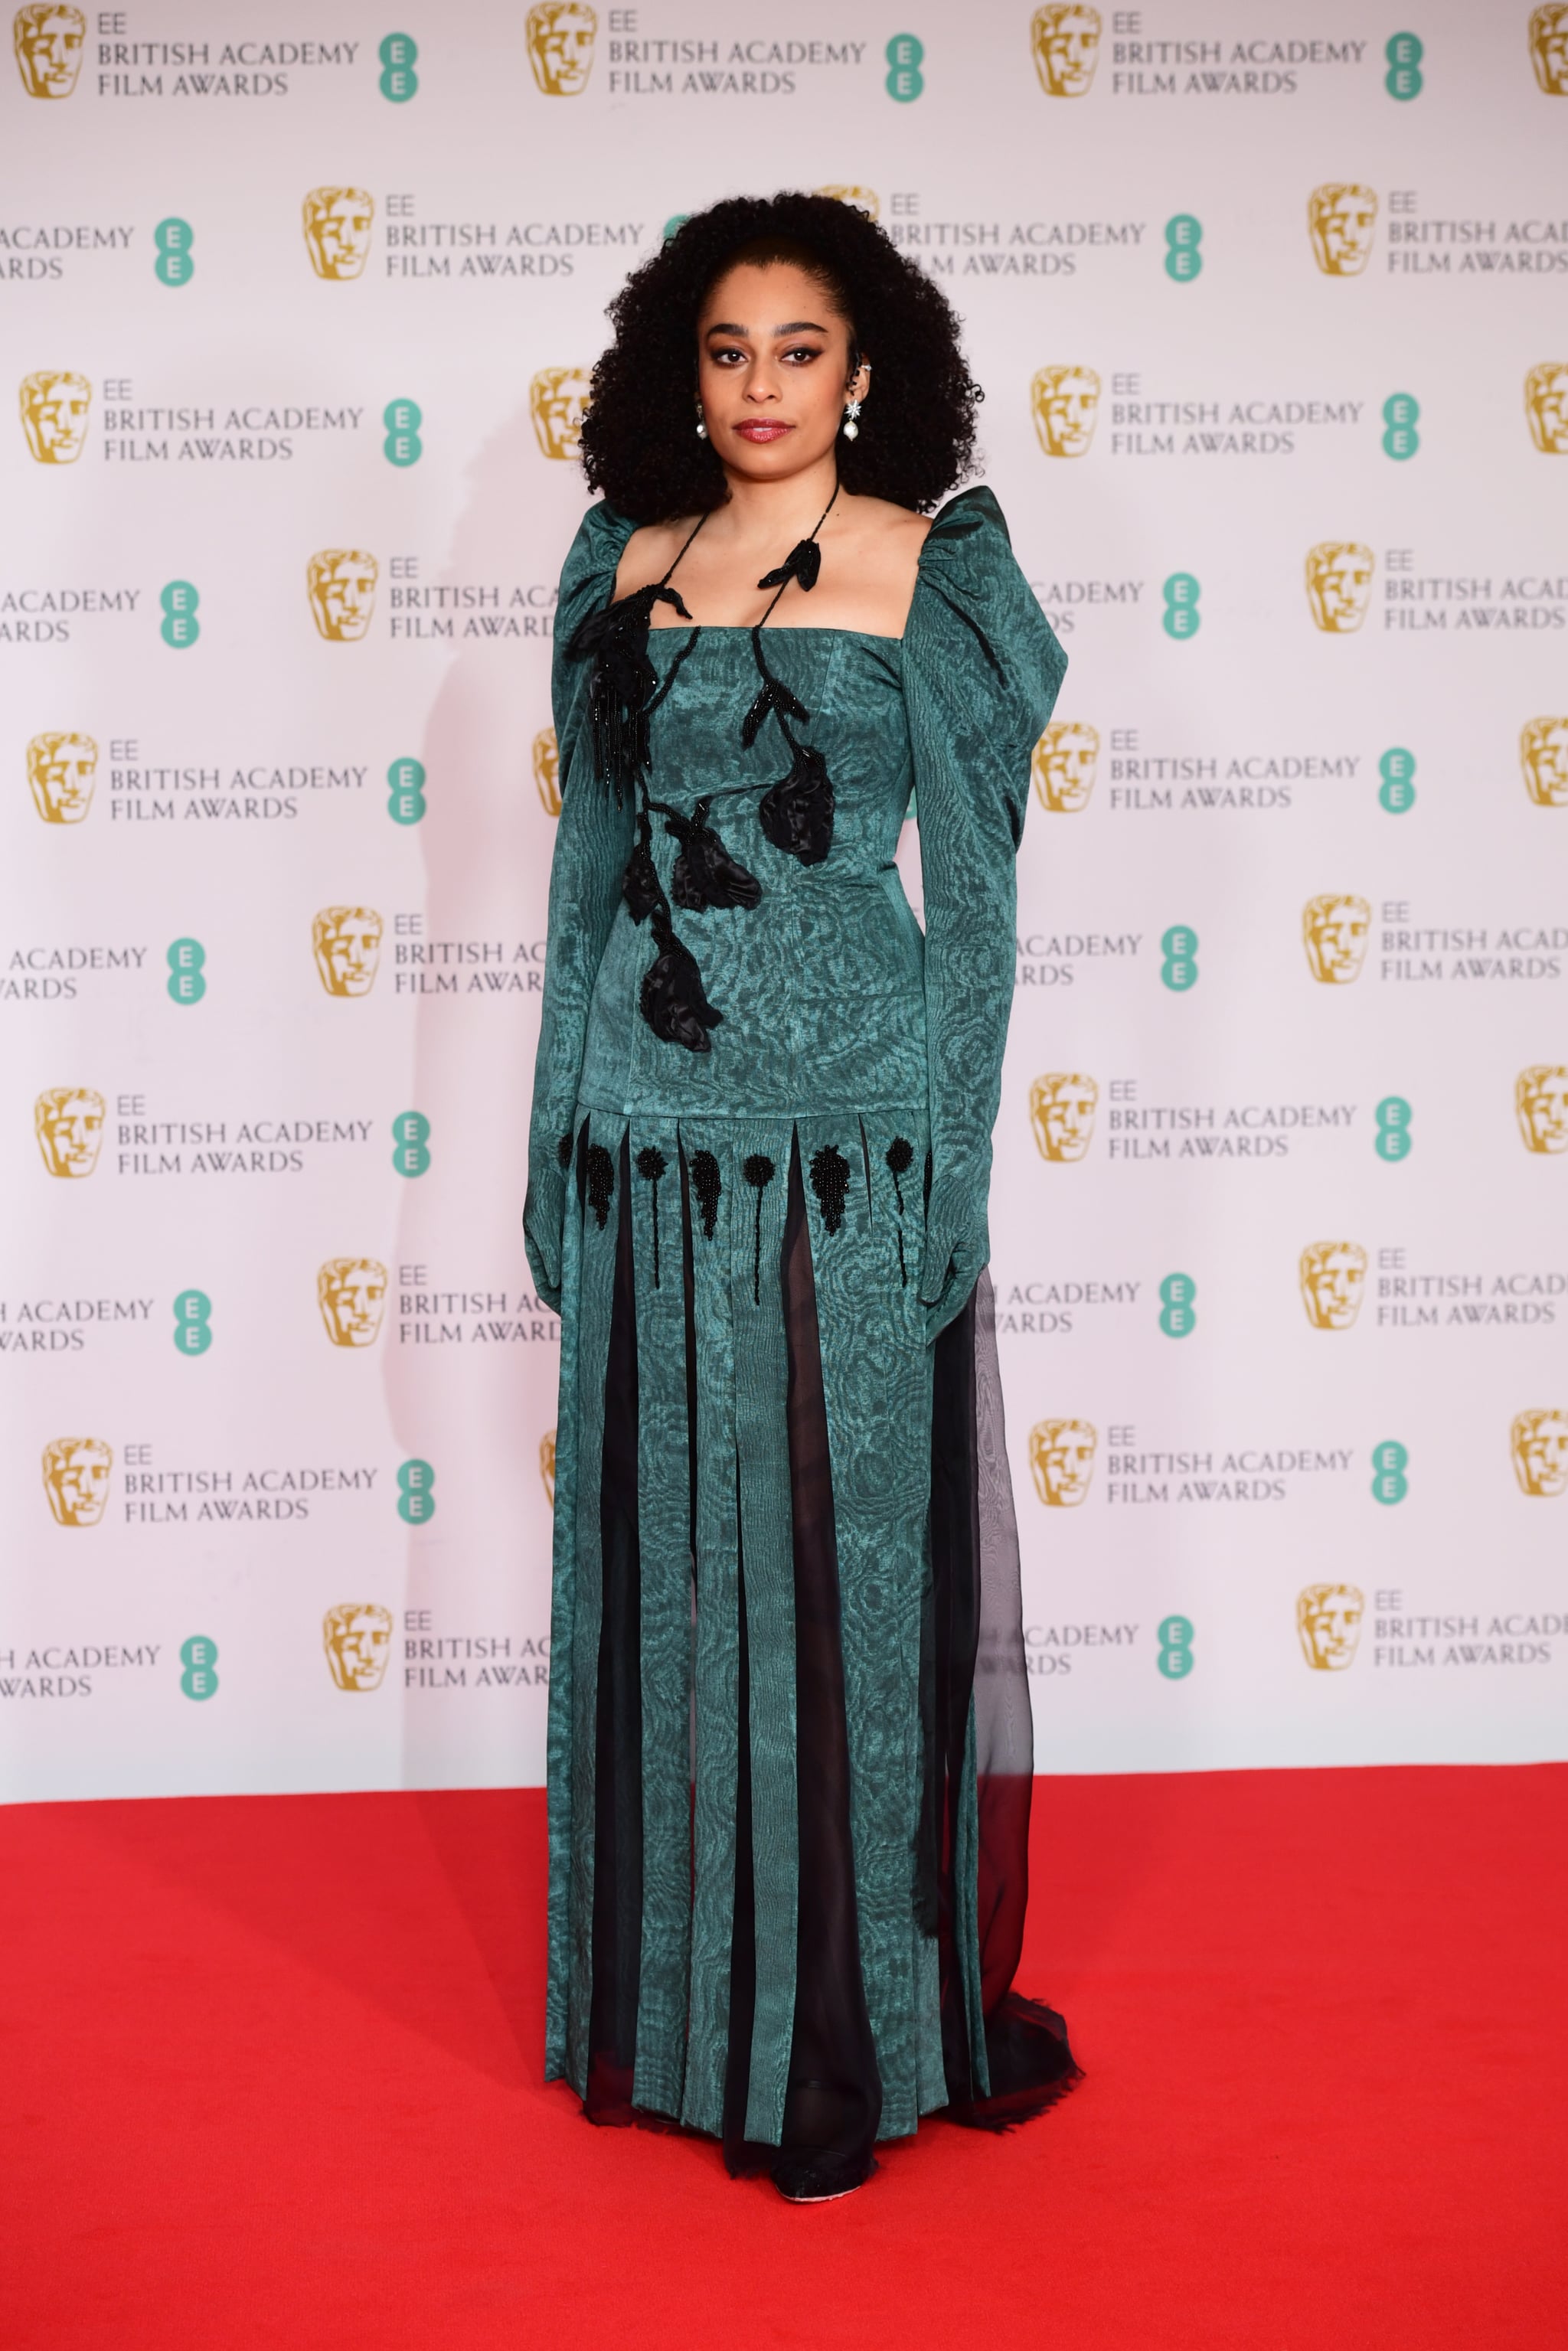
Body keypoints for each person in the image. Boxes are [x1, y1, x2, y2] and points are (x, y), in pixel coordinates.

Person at [524, 191, 1079, 2202]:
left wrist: (956, 1156)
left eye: (803, 351)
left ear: (869, 374)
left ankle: (858, 2032)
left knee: (847, 1573)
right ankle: (668, 2024)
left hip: (849, 1141)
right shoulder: (622, 557)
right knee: (661, 1569)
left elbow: (984, 912)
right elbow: (586, 872)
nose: (762, 388)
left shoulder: (943, 567)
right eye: (729, 350)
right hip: (643, 1138)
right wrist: (543, 1134)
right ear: (686, 367)